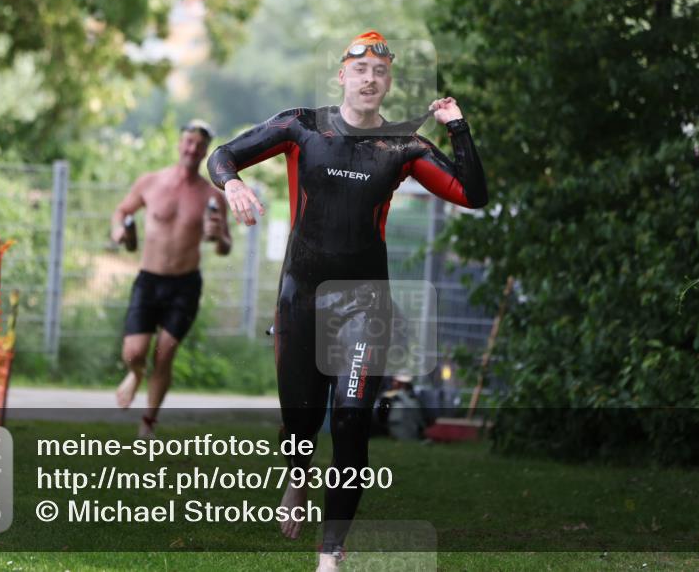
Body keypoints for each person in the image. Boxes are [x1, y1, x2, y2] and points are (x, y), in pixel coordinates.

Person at [207, 31, 488, 571]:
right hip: (301, 299)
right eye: (360, 70)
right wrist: (234, 186)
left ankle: (330, 555)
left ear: (388, 84)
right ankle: (297, 476)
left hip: (364, 305)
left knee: (352, 421)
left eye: (380, 72)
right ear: (342, 76)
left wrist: (457, 126)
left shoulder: (402, 148)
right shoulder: (302, 127)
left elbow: (470, 195)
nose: (369, 79)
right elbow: (224, 155)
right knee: (300, 421)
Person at [112, 119, 232, 438]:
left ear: (206, 151)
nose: (192, 149)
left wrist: (219, 235)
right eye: (188, 142)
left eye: (200, 145)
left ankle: (148, 422)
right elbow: (122, 211)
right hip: (148, 279)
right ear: (180, 144)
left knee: (165, 353)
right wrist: (119, 230)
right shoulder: (151, 182)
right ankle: (135, 374)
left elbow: (225, 247)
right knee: (134, 353)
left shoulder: (212, 195)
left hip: (185, 284)